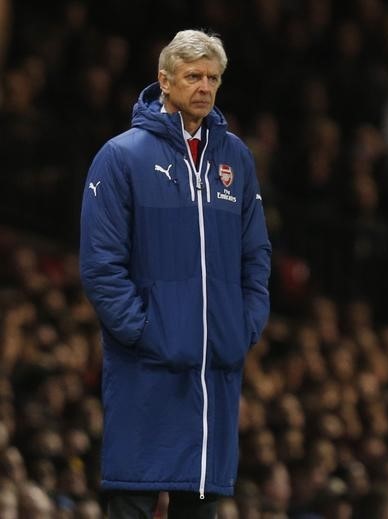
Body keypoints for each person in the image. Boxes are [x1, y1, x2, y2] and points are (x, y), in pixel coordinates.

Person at [79, 29, 271, 518]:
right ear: (164, 81)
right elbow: (101, 264)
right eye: (193, 76)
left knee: (202, 501)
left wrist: (241, 325)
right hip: (146, 365)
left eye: (212, 78)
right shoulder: (122, 156)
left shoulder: (236, 160)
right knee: (132, 499)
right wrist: (145, 330)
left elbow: (256, 255)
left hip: (213, 372)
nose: (204, 87)